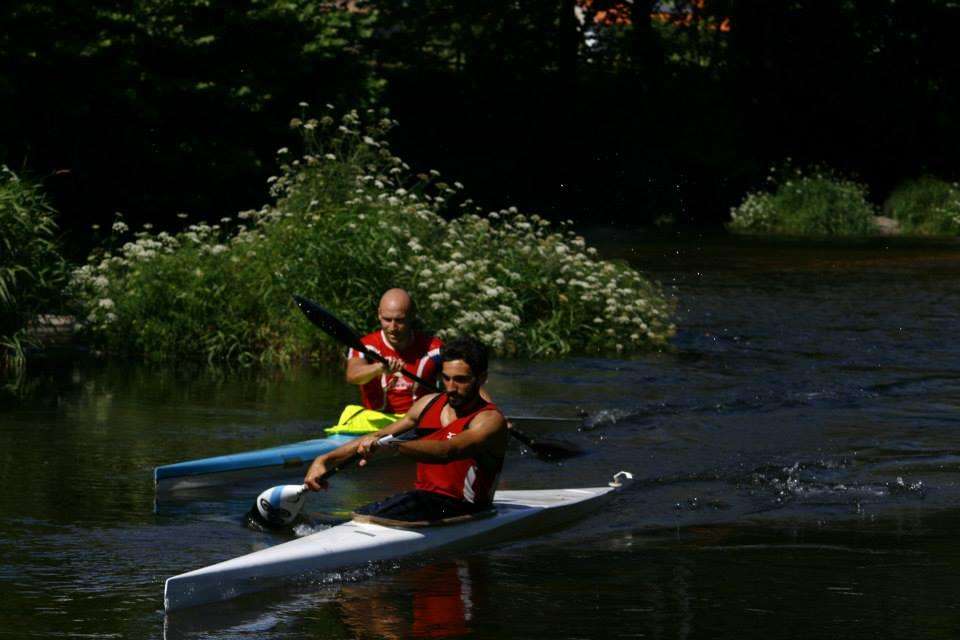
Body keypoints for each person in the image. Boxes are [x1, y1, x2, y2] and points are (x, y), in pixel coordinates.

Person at [305, 336, 508, 522]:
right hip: (424, 500)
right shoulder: (427, 404)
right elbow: (377, 435)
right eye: (446, 378)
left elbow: (448, 450)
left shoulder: (489, 420)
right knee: (361, 515)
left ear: (481, 379)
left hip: (466, 509)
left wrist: (393, 446)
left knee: (369, 518)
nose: (450, 388)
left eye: (461, 380)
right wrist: (324, 459)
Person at [346, 288, 443, 415]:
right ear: (379, 314)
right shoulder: (365, 346)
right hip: (376, 423)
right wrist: (379, 368)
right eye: (387, 319)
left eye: (399, 320)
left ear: (412, 316)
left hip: (418, 422)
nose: (392, 328)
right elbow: (352, 376)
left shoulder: (434, 349)